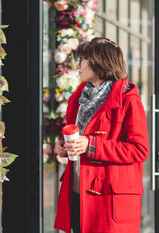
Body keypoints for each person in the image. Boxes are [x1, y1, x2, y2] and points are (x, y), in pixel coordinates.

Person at [54, 37, 149, 233]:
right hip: (79, 194)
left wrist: (91, 145)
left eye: (83, 60)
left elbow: (140, 150)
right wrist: (64, 146)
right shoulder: (80, 98)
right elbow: (79, 137)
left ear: (99, 62)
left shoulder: (128, 99)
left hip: (109, 201)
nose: (78, 65)